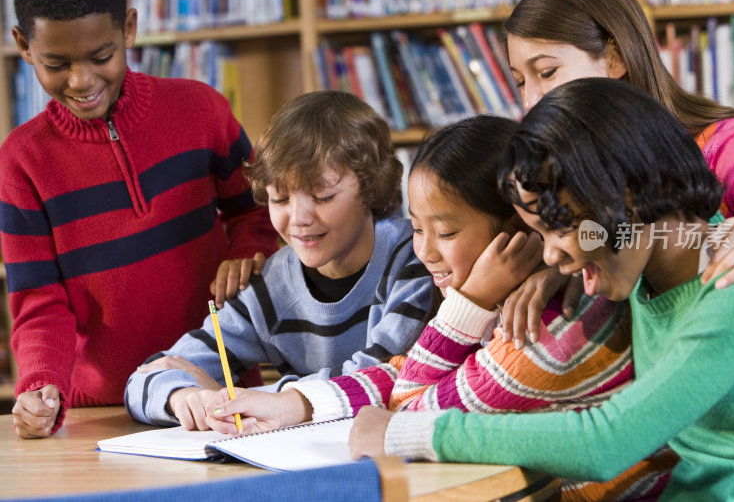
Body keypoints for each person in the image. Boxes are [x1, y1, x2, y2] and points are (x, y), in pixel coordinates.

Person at [348, 78, 734, 501]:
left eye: (558, 227)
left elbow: (605, 442)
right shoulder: (657, 251)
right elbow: (659, 232)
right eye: (540, 234)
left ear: (631, 194)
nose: (548, 254)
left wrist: (406, 433)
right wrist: (564, 264)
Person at [205, 115, 678, 501]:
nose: (425, 251)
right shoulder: (513, 301)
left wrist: (467, 304)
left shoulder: (544, 330)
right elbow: (409, 371)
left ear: (518, 230)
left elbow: (409, 406)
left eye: (446, 232)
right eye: (416, 228)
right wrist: (296, 404)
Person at [1, 0, 279, 439]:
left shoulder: (201, 110)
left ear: (128, 29)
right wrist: (42, 384)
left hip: (217, 389)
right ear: (24, 46)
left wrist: (245, 253)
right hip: (103, 412)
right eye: (57, 63)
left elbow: (256, 209)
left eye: (101, 56)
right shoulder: (22, 162)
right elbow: (38, 299)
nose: (82, 79)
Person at [498, 0, 734, 346]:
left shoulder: (725, 145)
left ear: (615, 58)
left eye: (546, 72)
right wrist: (572, 263)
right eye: (520, 82)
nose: (529, 102)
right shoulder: (560, 169)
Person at [124, 90, 432, 430]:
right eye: (279, 198)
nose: (298, 218)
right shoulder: (269, 286)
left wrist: (247, 395)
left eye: (323, 196)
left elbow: (384, 379)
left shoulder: (417, 258)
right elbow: (145, 379)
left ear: (370, 188)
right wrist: (184, 397)